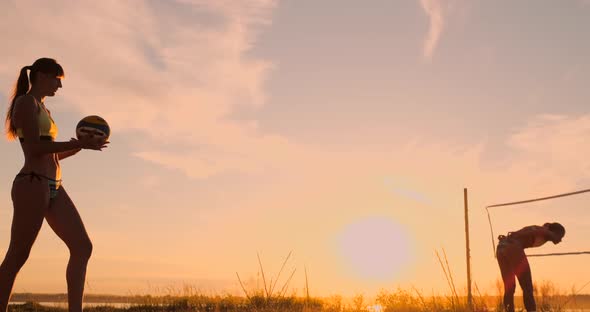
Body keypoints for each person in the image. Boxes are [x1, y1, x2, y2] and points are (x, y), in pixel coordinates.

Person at [0, 58, 108, 312]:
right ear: (42, 75)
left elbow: (50, 154)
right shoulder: (26, 103)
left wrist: (76, 148)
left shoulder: (44, 109)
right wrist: (77, 144)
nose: (59, 87)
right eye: (57, 80)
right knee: (18, 255)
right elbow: (34, 149)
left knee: (82, 247)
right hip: (32, 184)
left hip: (54, 186)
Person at [496, 222, 566, 312]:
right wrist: (553, 235)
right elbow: (540, 232)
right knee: (527, 287)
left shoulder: (539, 230)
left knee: (509, 287)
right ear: (553, 231)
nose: (560, 239)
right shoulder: (544, 230)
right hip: (512, 247)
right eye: (560, 236)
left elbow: (531, 232)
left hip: (501, 247)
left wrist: (515, 234)